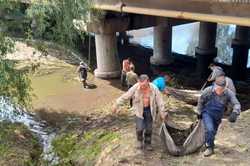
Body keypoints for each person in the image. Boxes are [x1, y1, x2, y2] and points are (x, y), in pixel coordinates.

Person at [112, 74, 167, 151]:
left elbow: (160, 101)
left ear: (148, 82)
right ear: (138, 82)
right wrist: (116, 104)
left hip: (149, 110)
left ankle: (148, 143)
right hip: (139, 110)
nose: (142, 87)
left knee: (149, 128)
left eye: (144, 85)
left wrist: (162, 113)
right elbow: (126, 96)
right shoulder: (135, 87)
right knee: (140, 128)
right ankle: (139, 141)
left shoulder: (154, 88)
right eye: (141, 85)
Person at [197, 76, 241, 157]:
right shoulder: (208, 90)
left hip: (218, 115)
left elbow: (237, 104)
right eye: (218, 89)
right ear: (214, 85)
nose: (220, 91)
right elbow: (201, 101)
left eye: (222, 89)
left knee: (213, 132)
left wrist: (235, 112)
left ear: (225, 87)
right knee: (209, 129)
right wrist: (199, 112)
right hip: (207, 113)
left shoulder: (228, 93)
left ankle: (208, 142)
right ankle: (210, 148)